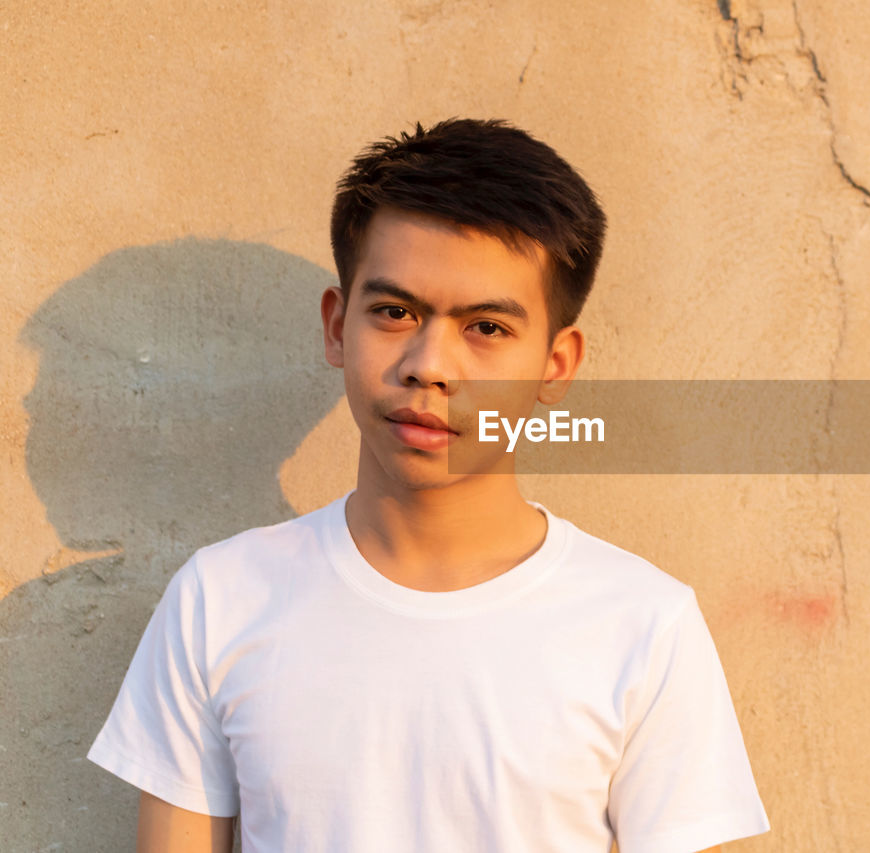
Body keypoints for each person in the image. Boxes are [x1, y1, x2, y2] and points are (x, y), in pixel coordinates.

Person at [86, 118, 770, 852]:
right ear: (336, 324)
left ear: (556, 365)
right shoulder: (219, 601)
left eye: (486, 328)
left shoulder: (643, 625)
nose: (429, 364)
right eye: (395, 312)